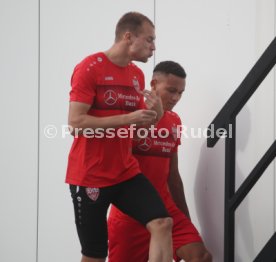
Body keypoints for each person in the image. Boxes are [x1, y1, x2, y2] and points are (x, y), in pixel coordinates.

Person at [65, 12, 174, 262]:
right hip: (89, 175)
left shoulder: (136, 75)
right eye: (149, 40)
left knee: (162, 223)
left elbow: (137, 132)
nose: (154, 47)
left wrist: (155, 114)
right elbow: (76, 123)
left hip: (125, 172)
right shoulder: (89, 67)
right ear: (128, 37)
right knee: (94, 254)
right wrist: (129, 118)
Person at [108, 61, 212, 262]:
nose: (176, 98)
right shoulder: (132, 114)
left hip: (165, 209)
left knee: (201, 257)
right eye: (171, 90)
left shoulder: (174, 120)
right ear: (154, 84)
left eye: (181, 93)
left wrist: (185, 220)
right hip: (130, 213)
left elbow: (173, 175)